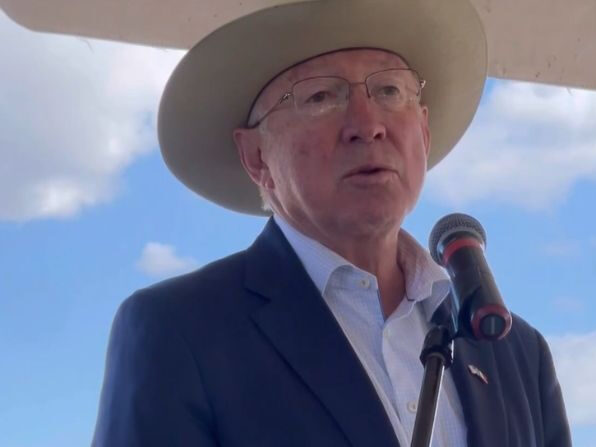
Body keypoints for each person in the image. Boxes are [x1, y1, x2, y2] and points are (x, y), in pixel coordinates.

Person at [93, 0, 571, 446]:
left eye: (389, 90)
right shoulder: (179, 331)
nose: (367, 123)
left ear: (422, 131)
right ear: (255, 156)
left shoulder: (517, 355)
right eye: (321, 95)